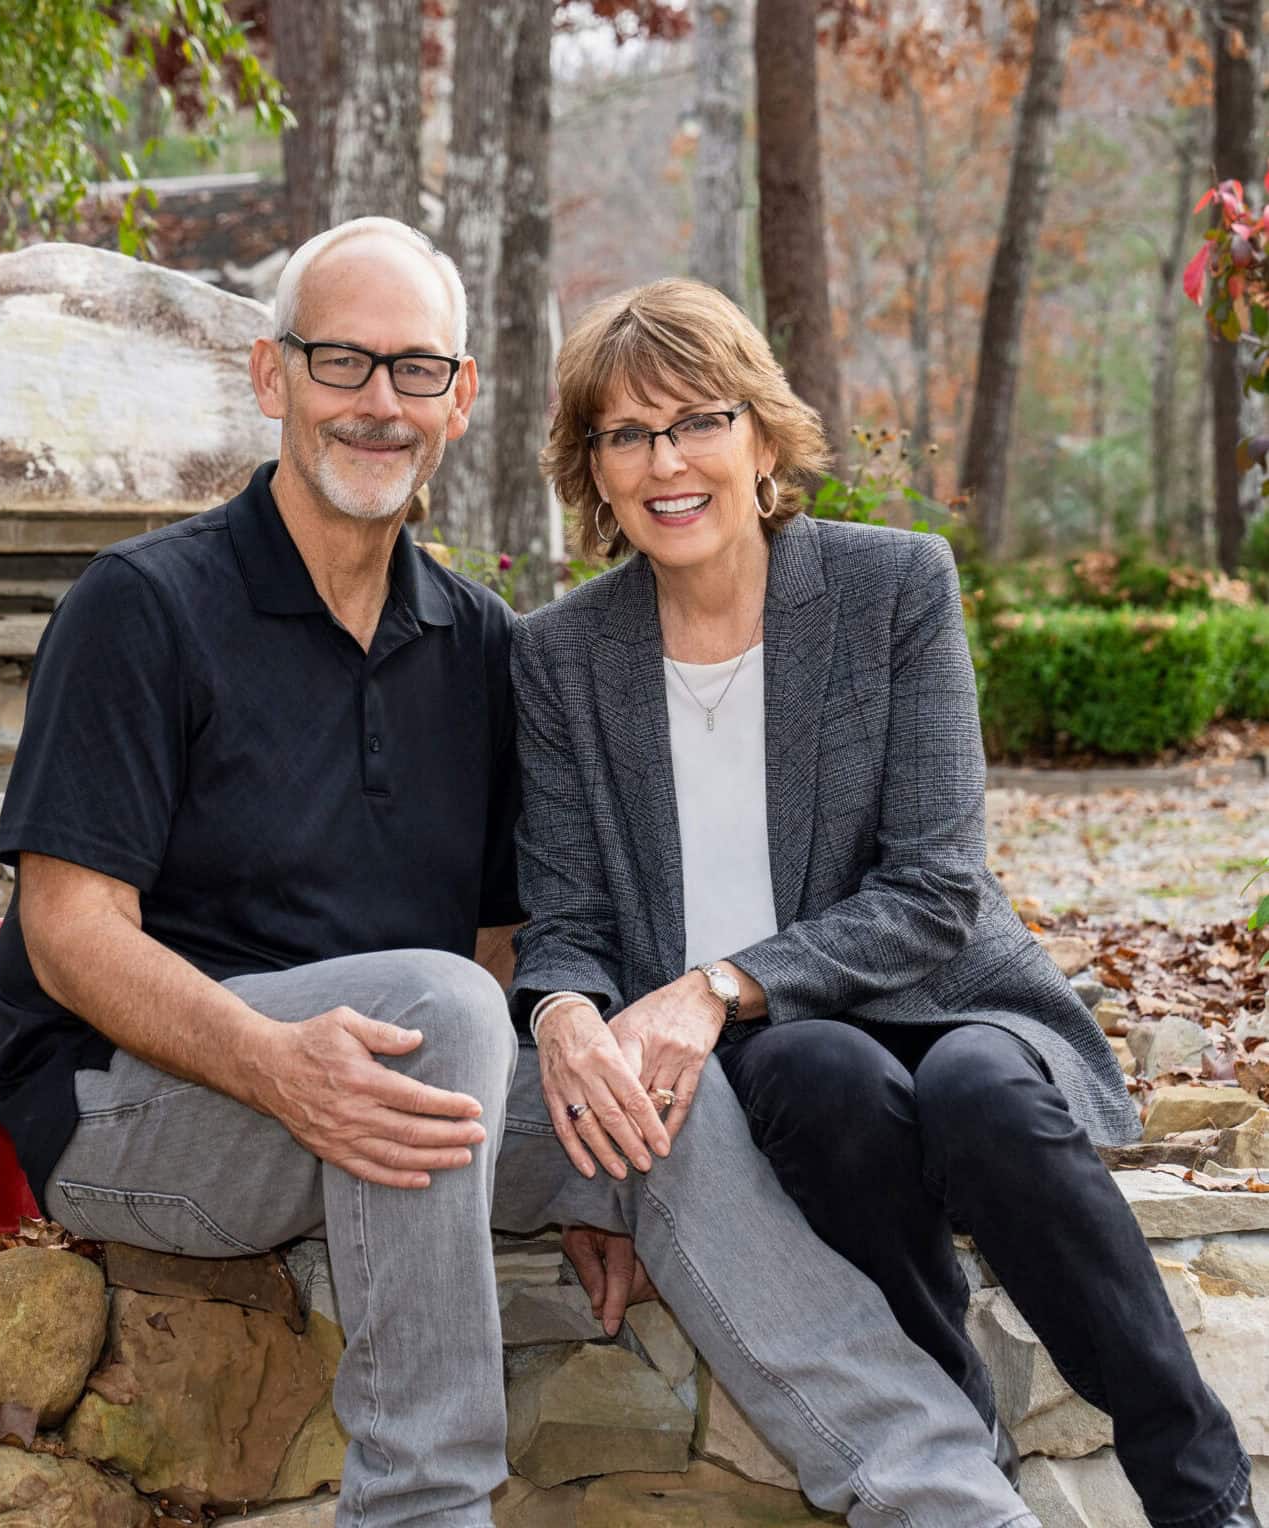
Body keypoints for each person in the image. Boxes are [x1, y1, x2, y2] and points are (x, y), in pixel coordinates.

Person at [0, 219, 1037, 1528]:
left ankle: (943, 1495)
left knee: (651, 1097)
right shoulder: (143, 607)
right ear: (271, 378)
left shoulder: (479, 644)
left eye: (416, 370)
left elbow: (501, 943)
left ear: (461, 398)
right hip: (136, 1109)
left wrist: (577, 1165)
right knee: (430, 1018)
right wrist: (274, 1059)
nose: (379, 403)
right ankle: (423, 1508)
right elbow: (71, 933)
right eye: (341, 364)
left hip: (400, 1091)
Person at [511, 275, 1259, 1528]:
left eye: (695, 419)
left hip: (943, 992)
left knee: (973, 1090)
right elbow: (567, 919)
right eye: (624, 435)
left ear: (758, 435)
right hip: (774, 1049)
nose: (665, 460)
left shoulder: (890, 587)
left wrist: (708, 988)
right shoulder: (559, 655)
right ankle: (951, 1442)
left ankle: (1198, 1488)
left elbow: (932, 886)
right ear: (592, 470)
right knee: (816, 1076)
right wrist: (564, 1017)